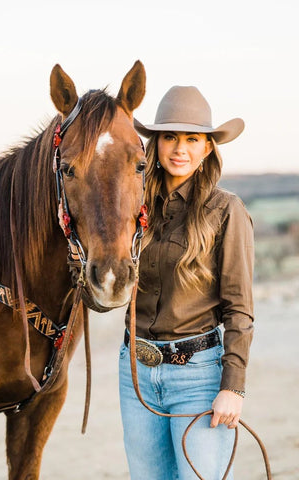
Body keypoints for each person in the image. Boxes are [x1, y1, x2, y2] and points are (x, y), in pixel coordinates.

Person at [119, 85, 254, 480]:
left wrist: (234, 386)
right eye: (170, 137)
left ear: (207, 148)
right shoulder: (132, 209)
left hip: (198, 376)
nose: (180, 149)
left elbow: (239, 309)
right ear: (155, 144)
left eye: (192, 139)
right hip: (136, 373)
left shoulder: (226, 210)